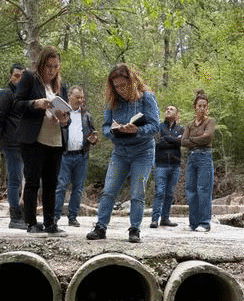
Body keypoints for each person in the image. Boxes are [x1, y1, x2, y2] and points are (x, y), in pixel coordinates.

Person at [86, 64, 160, 244]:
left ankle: (135, 229)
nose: (120, 90)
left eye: (123, 86)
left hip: (142, 151)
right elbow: (104, 126)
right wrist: (113, 131)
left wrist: (137, 130)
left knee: (137, 191)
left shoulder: (146, 98)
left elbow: (155, 127)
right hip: (120, 151)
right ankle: (101, 227)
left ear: (132, 81)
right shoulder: (112, 101)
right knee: (109, 190)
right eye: (116, 87)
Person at [14, 46, 70, 236]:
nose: (52, 70)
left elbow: (66, 115)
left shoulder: (61, 86)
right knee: (32, 182)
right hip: (34, 139)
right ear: (41, 65)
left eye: (55, 67)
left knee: (51, 183)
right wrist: (35, 103)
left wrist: (64, 120)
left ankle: (50, 223)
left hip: (55, 139)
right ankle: (31, 223)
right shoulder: (30, 78)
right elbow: (17, 104)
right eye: (48, 66)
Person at [54, 85, 98, 227]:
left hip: (81, 155)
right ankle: (55, 215)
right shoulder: (62, 113)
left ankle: (72, 217)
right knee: (60, 186)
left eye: (82, 97)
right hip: (64, 155)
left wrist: (94, 139)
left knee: (78, 188)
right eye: (77, 97)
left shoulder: (87, 116)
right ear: (69, 97)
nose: (80, 100)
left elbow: (92, 134)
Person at [0, 62, 26, 229]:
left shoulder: (24, 95)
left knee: (27, 179)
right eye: (17, 76)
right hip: (11, 142)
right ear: (10, 77)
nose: (19, 79)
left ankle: (26, 215)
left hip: (25, 142)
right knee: (15, 179)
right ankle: (15, 217)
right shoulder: (6, 94)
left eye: (22, 76)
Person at [181, 89, 216, 232]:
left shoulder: (210, 121)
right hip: (192, 157)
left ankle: (205, 223)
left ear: (207, 107)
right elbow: (183, 142)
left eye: (204, 106)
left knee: (203, 189)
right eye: (199, 105)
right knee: (191, 189)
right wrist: (196, 141)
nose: (202, 108)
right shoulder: (189, 125)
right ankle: (193, 223)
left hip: (204, 156)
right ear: (195, 107)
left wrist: (191, 140)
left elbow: (207, 137)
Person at [150, 104, 183, 228]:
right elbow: (159, 143)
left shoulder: (181, 129)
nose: (168, 111)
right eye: (167, 109)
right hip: (161, 164)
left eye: (171, 109)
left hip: (175, 165)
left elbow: (181, 142)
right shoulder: (158, 127)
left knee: (169, 193)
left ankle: (165, 218)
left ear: (177, 114)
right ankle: (154, 219)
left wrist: (168, 139)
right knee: (159, 192)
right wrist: (174, 140)